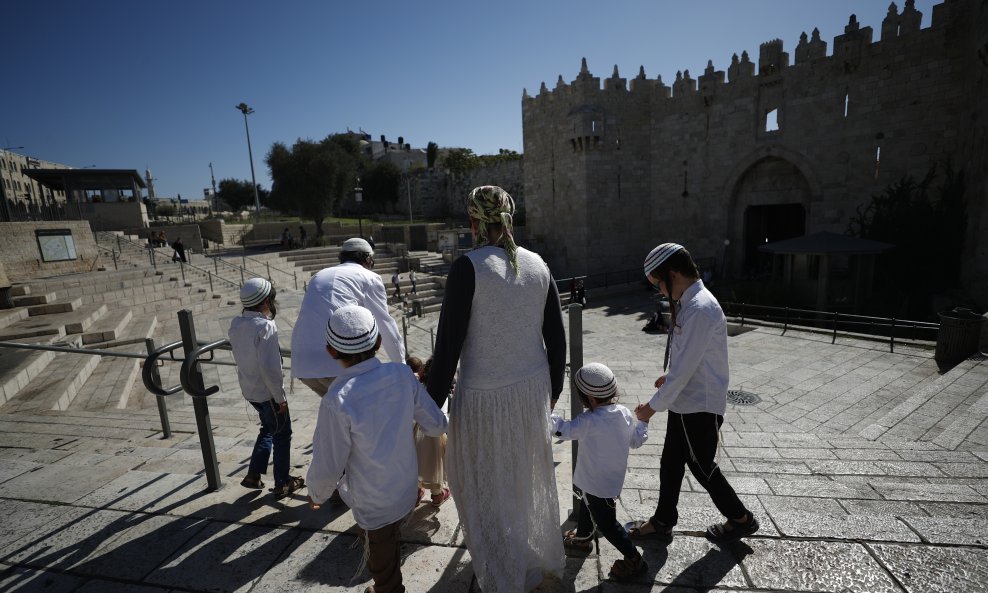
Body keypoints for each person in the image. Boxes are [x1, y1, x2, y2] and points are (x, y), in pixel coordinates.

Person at [427, 185, 566, 593]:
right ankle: (523, 554)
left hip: (485, 397)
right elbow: (556, 338)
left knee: (481, 481)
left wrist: (428, 408)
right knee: (522, 474)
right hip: (532, 388)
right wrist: (552, 391)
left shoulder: (468, 267)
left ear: (473, 222)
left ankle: (499, 568)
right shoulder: (539, 264)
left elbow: (448, 346)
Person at [307, 305, 448, 593]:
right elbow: (435, 425)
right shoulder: (402, 374)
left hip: (373, 501)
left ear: (331, 351)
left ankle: (389, 589)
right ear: (379, 343)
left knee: (381, 556)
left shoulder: (337, 398)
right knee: (392, 536)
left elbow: (328, 459)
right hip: (407, 490)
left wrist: (317, 493)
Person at [630, 243, 760, 544]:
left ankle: (741, 518)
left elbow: (687, 366)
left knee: (701, 466)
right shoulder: (693, 303)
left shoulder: (699, 307)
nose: (661, 291)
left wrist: (651, 407)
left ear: (673, 274)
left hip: (697, 405)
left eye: (659, 283)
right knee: (671, 462)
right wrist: (669, 377)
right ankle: (663, 520)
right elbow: (692, 357)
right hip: (688, 400)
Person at [550, 363, 649, 581]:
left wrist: (545, 411)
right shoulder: (623, 413)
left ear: (590, 400)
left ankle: (635, 560)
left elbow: (561, 430)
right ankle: (583, 537)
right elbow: (636, 441)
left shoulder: (589, 421)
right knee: (587, 505)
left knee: (609, 525)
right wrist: (644, 421)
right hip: (601, 483)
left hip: (597, 485)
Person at [291, 237, 405, 397]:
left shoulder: (319, 275)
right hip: (337, 362)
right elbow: (385, 325)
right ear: (367, 259)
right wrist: (402, 367)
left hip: (303, 364)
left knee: (343, 416)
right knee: (368, 415)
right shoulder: (369, 277)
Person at [228, 278, 305, 499]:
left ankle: (253, 474)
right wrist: (280, 398)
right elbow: (270, 369)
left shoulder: (236, 323)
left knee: (269, 428)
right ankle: (282, 482)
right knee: (282, 434)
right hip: (267, 393)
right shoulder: (265, 327)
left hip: (250, 391)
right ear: (265, 301)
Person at [407, 356, 451, 507]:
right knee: (435, 465)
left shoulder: (419, 387)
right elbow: (443, 417)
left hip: (415, 430)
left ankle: (416, 493)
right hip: (434, 433)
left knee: (418, 462)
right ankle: (437, 496)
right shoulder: (442, 392)